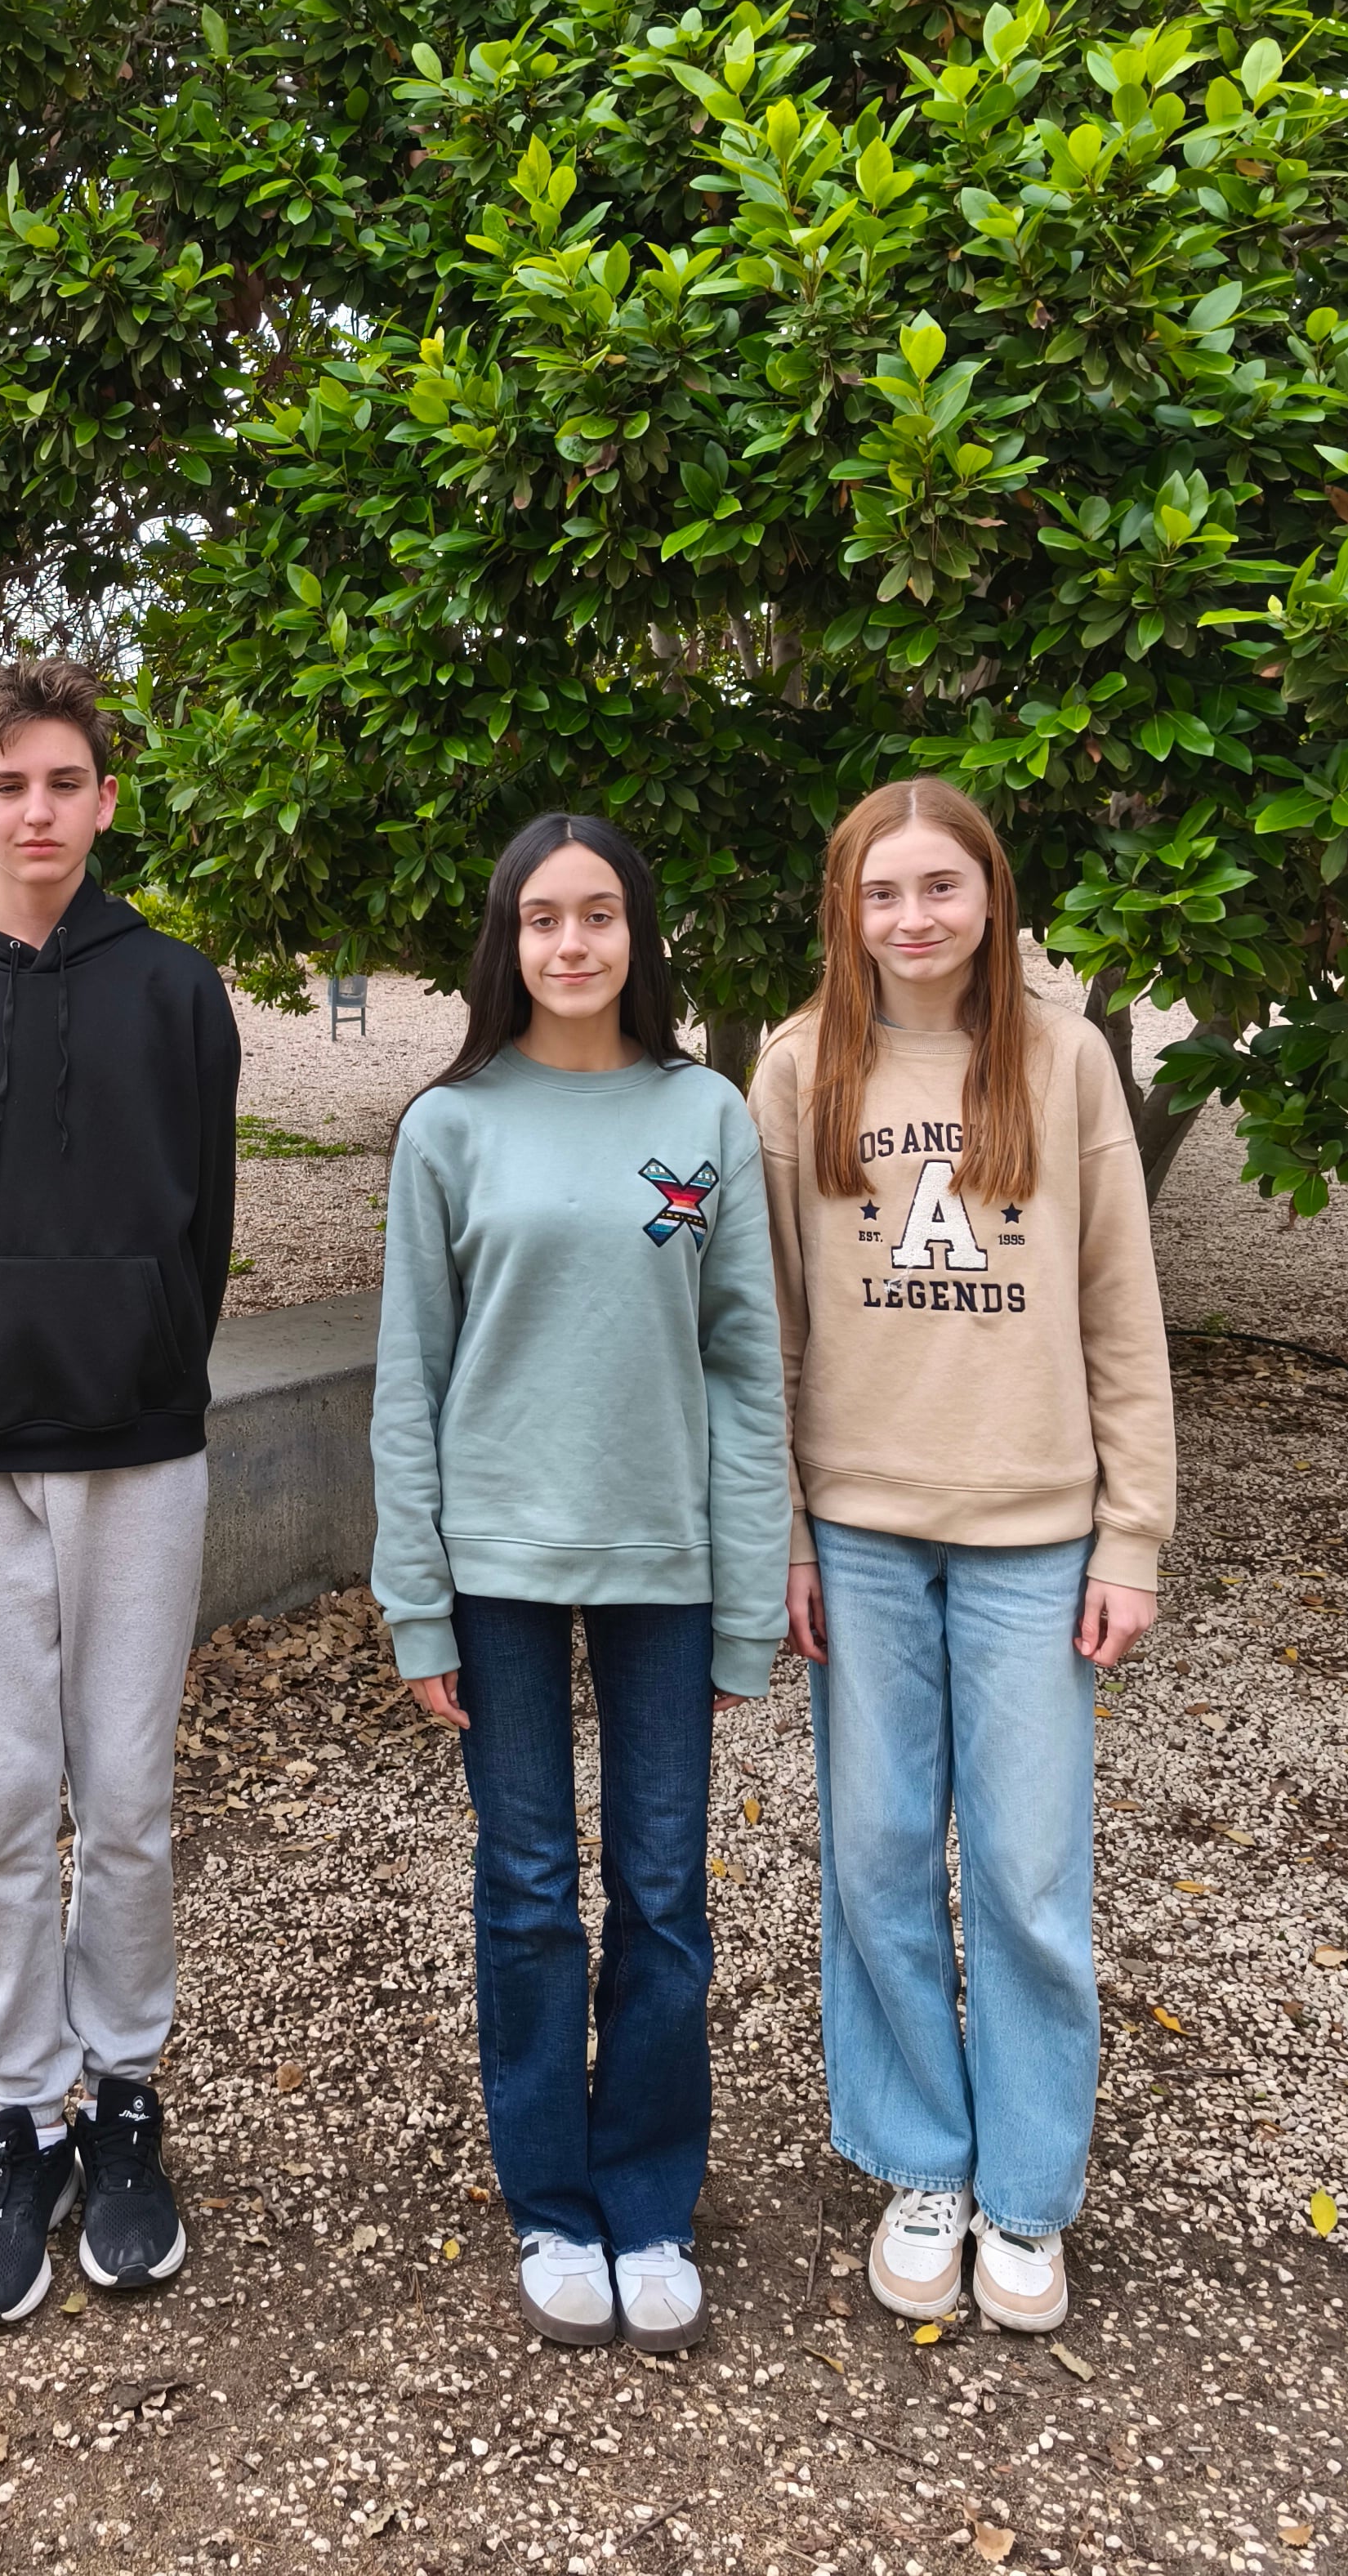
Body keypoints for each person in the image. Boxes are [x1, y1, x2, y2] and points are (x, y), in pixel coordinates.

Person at [747, 777, 1174, 2337]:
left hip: (1032, 1536)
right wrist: (782, 1529)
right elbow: (767, 1331)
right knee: (871, 1859)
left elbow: (1122, 1309)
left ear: (990, 897)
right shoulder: (796, 1069)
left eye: (940, 888)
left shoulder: (1058, 1061)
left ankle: (1027, 2192)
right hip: (858, 1533)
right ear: (844, 909)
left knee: (1028, 1873)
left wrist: (1133, 1531)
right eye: (882, 893)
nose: (911, 919)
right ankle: (923, 2156)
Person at [0, 657, 240, 2325]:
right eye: (7, 784)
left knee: (127, 1799)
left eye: (66, 780)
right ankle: (28, 2108)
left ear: (103, 797)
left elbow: (206, 1214)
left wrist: (145, 1345)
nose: (38, 810)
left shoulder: (174, 988)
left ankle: (130, 2094)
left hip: (139, 1442)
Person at [372, 813, 790, 2355]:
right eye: (541, 918)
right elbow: (407, 1381)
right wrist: (414, 1597)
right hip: (495, 1564)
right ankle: (551, 2197)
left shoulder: (709, 1115)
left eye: (598, 915)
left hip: (666, 1570)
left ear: (637, 934)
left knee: (665, 1894)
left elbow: (747, 1370)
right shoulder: (450, 1126)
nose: (570, 945)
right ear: (506, 939)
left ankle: (651, 2195)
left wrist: (750, 1593)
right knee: (531, 1893)